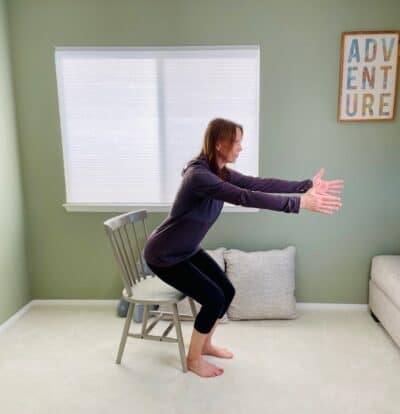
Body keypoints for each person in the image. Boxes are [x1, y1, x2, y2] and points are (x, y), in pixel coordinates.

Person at [143, 118, 344, 378]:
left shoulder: (219, 172)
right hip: (165, 255)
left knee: (226, 291)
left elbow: (257, 184)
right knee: (213, 298)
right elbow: (244, 197)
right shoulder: (200, 177)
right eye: (236, 141)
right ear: (219, 144)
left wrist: (305, 186)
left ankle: (204, 345)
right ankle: (193, 359)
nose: (241, 148)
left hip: (187, 248)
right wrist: (299, 204)